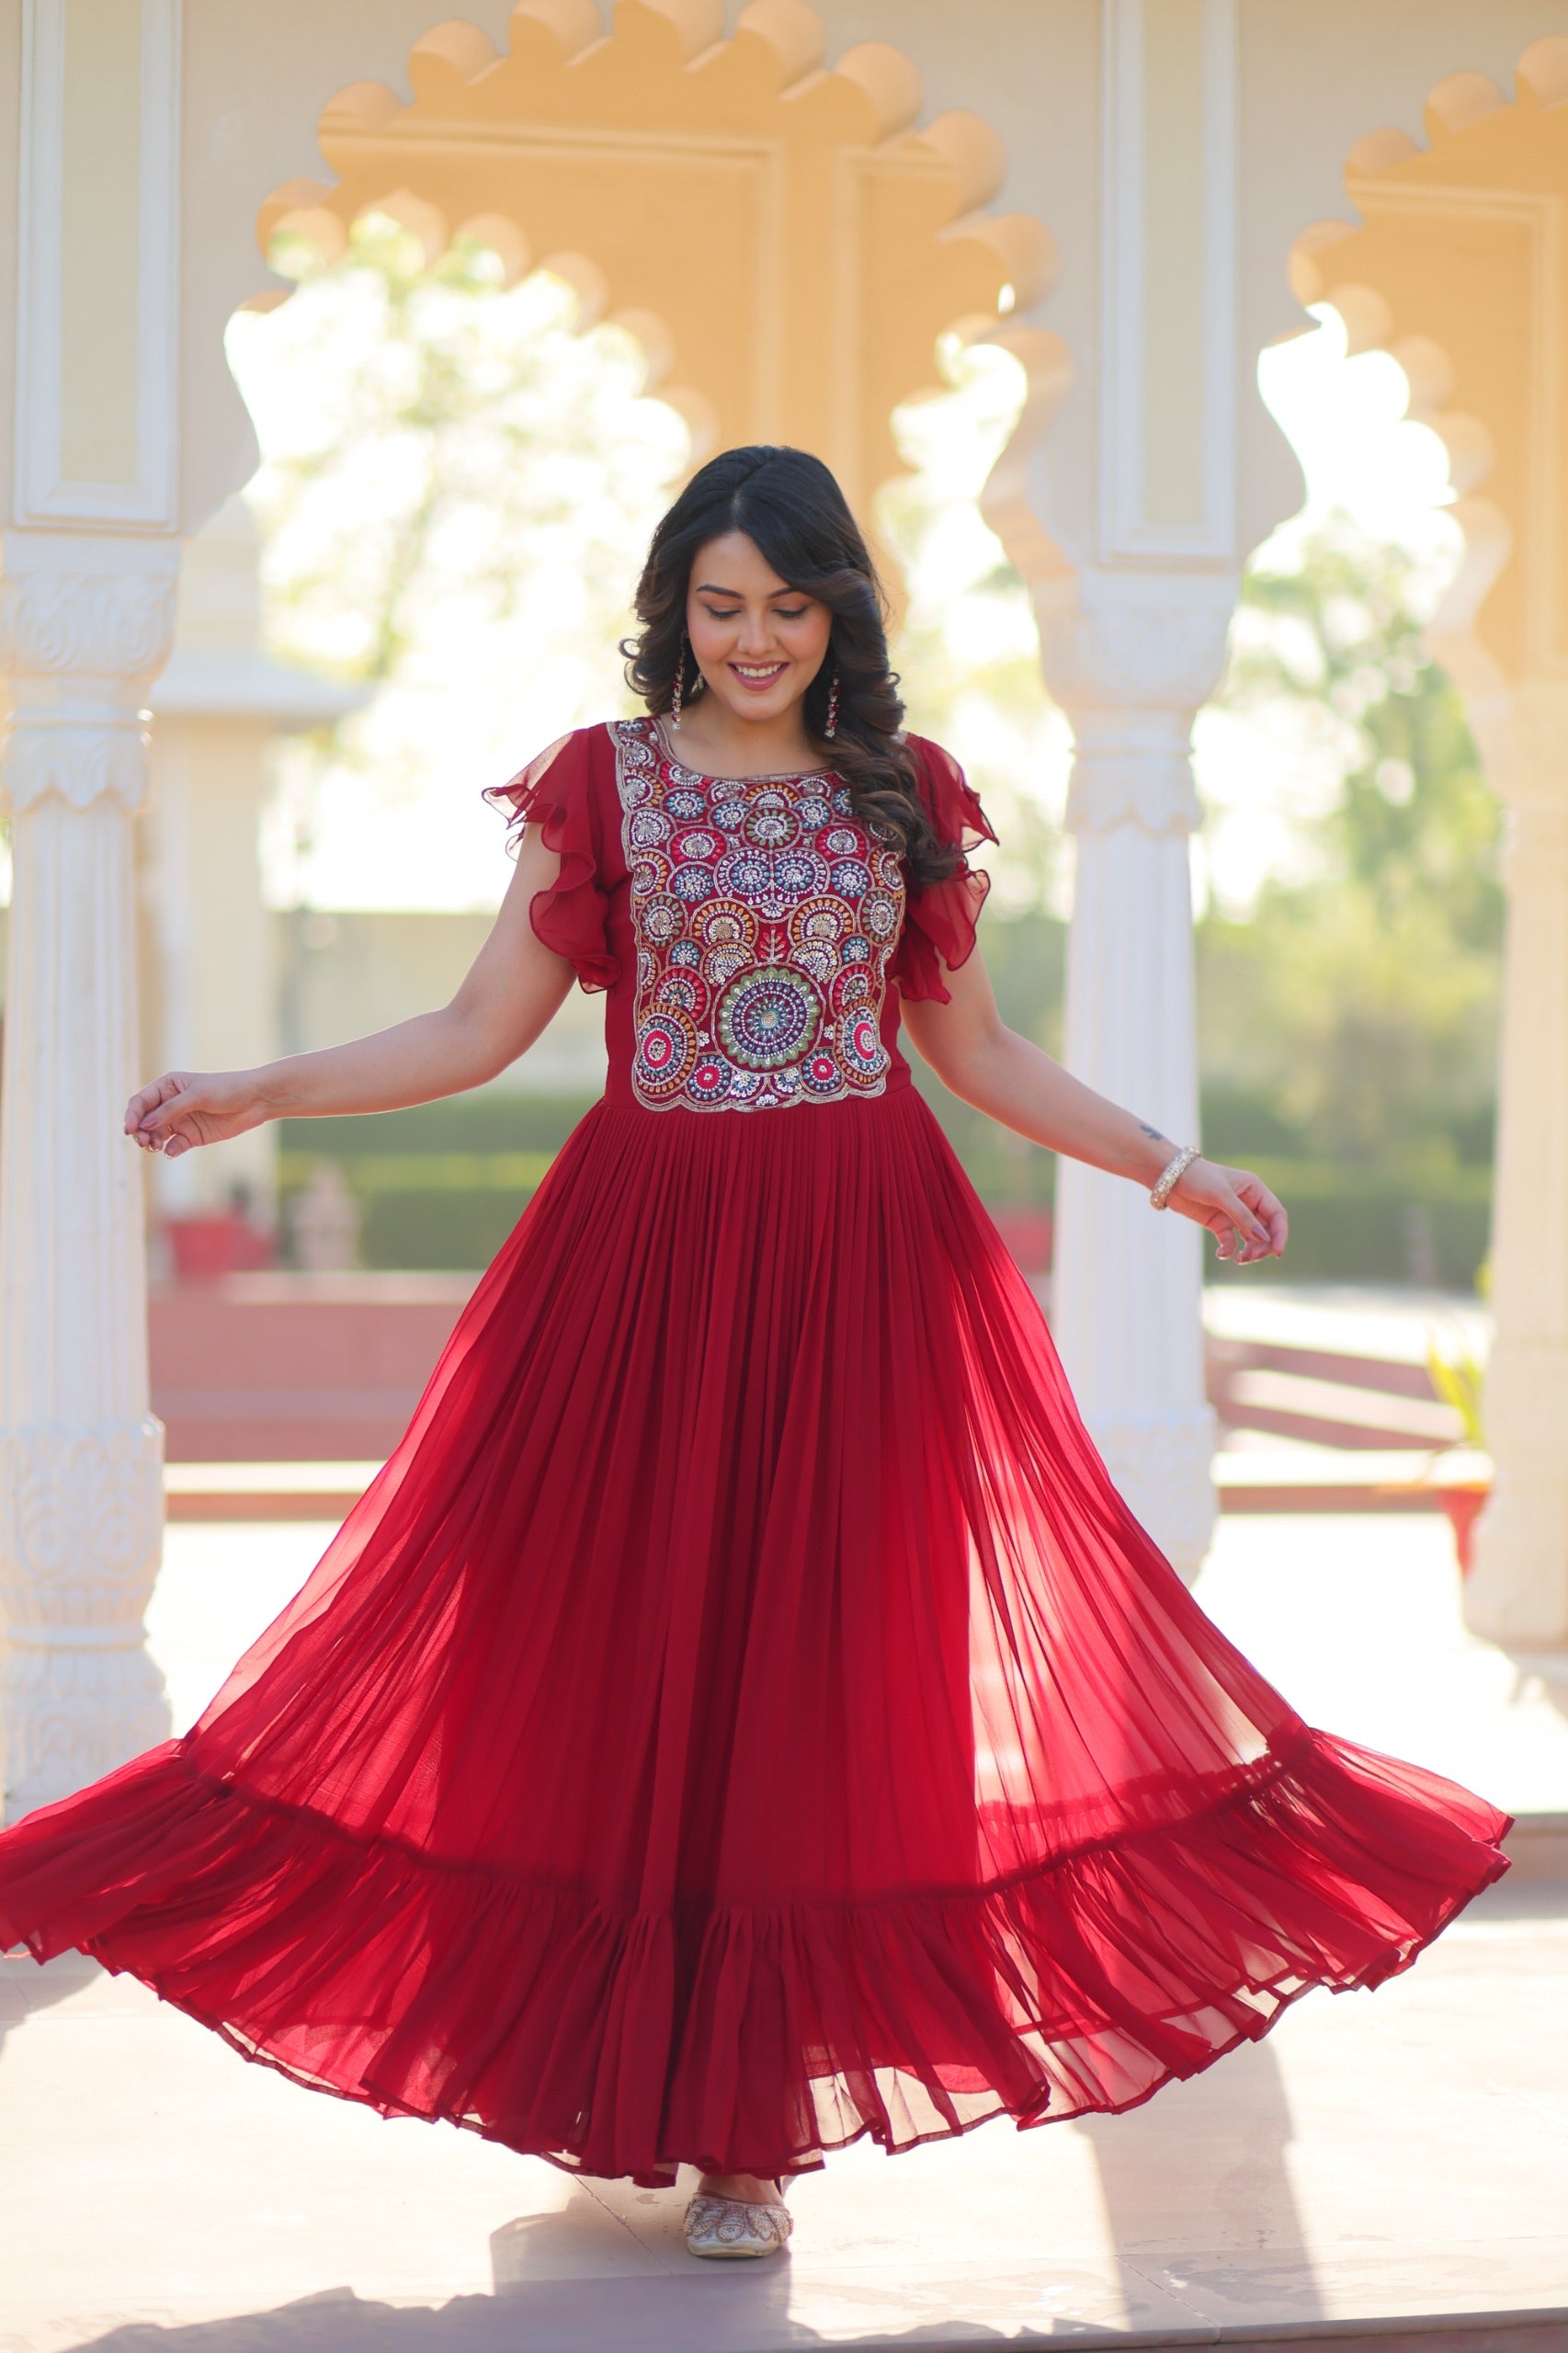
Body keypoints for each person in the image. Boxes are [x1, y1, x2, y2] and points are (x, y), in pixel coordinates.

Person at [0, 446, 1506, 2262]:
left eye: (788, 605)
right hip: (640, 1271)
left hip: (865, 1272)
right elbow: (482, 1024)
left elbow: (983, 1055)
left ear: (837, 610)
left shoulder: (906, 796)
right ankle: (618, 2073)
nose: (754, 638)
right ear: (674, 610)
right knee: (617, 1656)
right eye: (720, 605)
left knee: (808, 1674)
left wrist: (1177, 1171)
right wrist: (259, 1084)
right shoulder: (605, 783)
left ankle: (747, 2138)